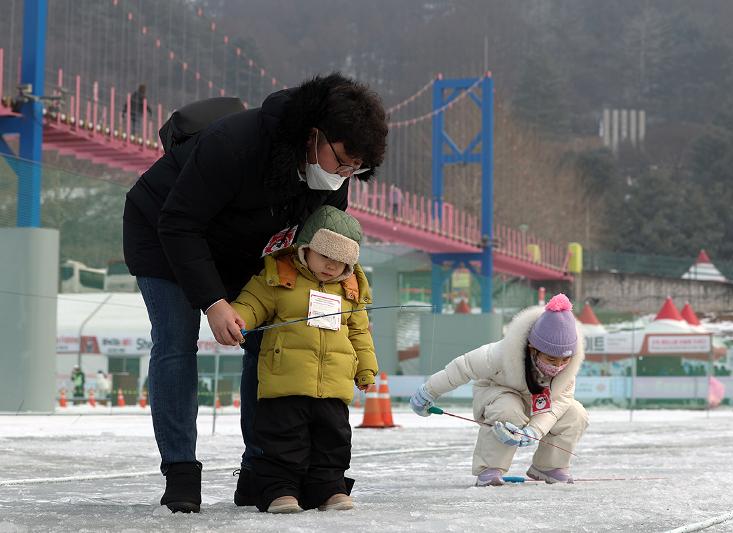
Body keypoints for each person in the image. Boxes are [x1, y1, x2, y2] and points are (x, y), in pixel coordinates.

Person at [122, 73, 387, 513]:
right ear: (315, 132)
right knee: (175, 342)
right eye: (341, 161)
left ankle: (262, 472)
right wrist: (213, 301)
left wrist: (342, 296)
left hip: (246, 250)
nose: (343, 175)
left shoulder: (334, 178)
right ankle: (181, 471)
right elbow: (179, 222)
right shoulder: (237, 143)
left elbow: (319, 248)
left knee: (267, 339)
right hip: (165, 233)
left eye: (354, 169)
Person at [229, 205, 377, 513]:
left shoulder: (350, 291)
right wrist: (238, 319)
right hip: (286, 382)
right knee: (283, 440)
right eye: (325, 256)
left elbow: (359, 333)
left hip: (333, 386)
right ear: (306, 248)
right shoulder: (280, 277)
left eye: (340, 261)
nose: (331, 266)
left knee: (333, 441)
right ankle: (280, 491)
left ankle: (330, 488)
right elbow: (252, 303)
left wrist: (366, 369)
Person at [409, 294, 588, 486]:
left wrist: (535, 430)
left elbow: (560, 403)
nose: (558, 366)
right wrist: (428, 391)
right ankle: (490, 468)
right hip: (497, 394)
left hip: (536, 406)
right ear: (532, 348)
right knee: (508, 409)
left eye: (564, 360)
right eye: (551, 360)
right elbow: (462, 368)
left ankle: (549, 466)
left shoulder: (567, 373)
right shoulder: (500, 354)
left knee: (575, 414)